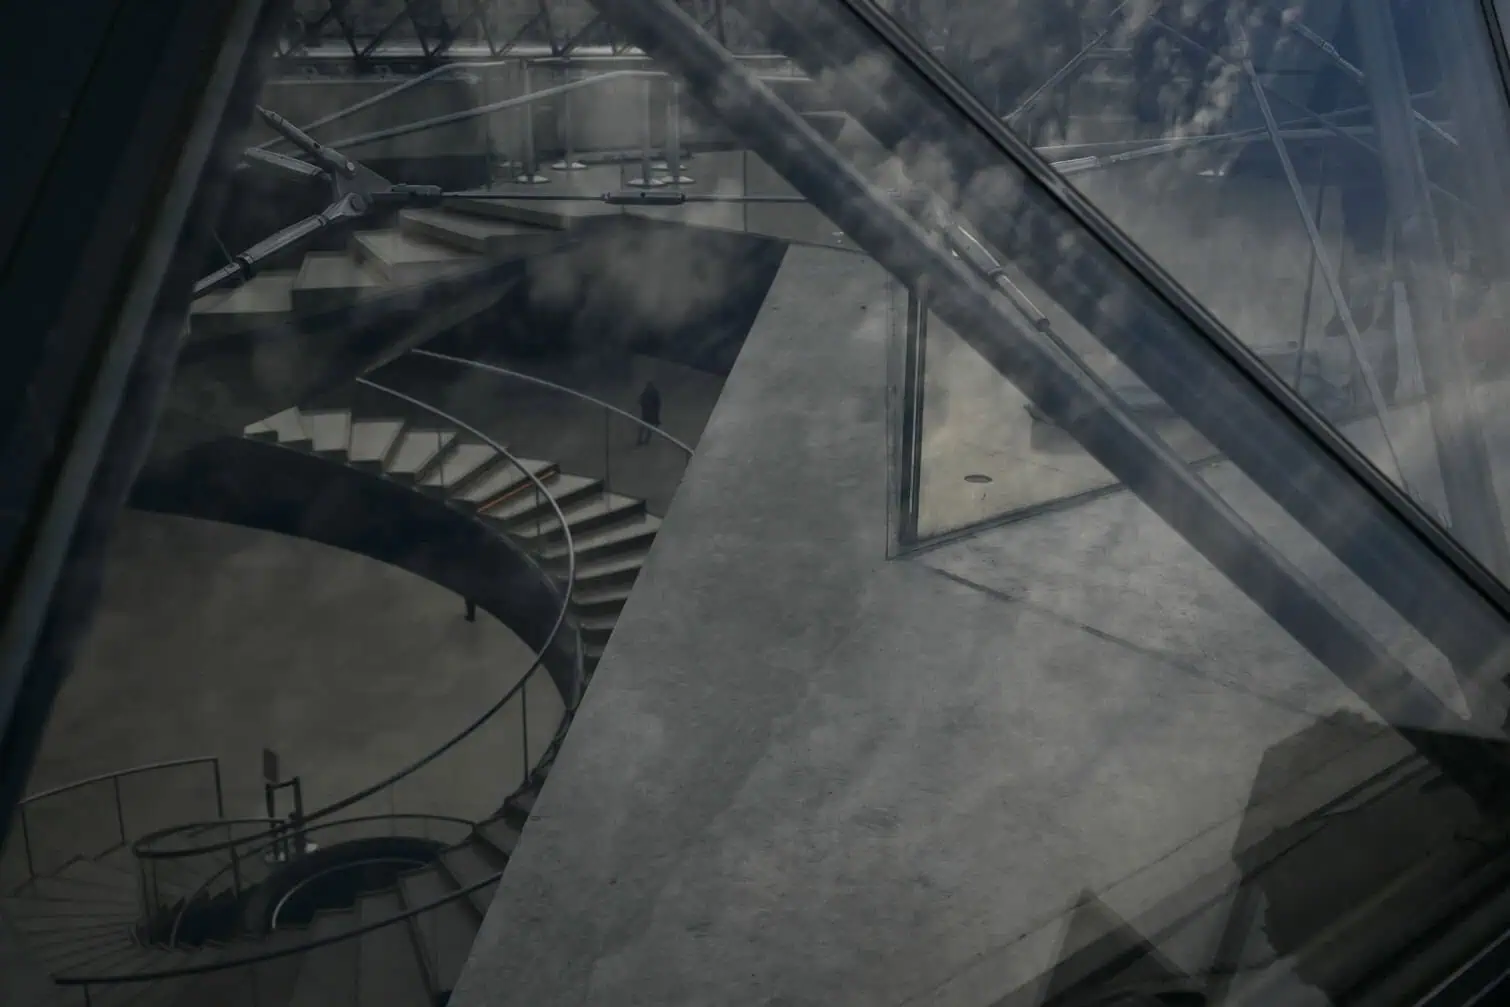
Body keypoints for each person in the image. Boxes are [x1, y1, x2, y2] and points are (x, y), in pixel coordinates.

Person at [637, 380, 662, 446]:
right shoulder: (647, 392)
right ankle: (642, 440)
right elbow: (641, 401)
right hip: (647, 413)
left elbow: (657, 405)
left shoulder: (653, 393)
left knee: (647, 428)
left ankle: (645, 440)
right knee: (644, 428)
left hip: (650, 414)